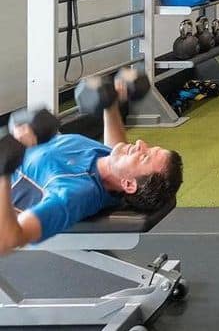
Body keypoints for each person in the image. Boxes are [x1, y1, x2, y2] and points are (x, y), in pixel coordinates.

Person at [1, 73, 184, 253]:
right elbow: (114, 148)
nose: (140, 144)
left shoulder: (75, 193)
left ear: (128, 184)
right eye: (148, 148)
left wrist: (5, 171)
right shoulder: (108, 163)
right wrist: (110, 105)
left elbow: (9, 239)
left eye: (144, 156)